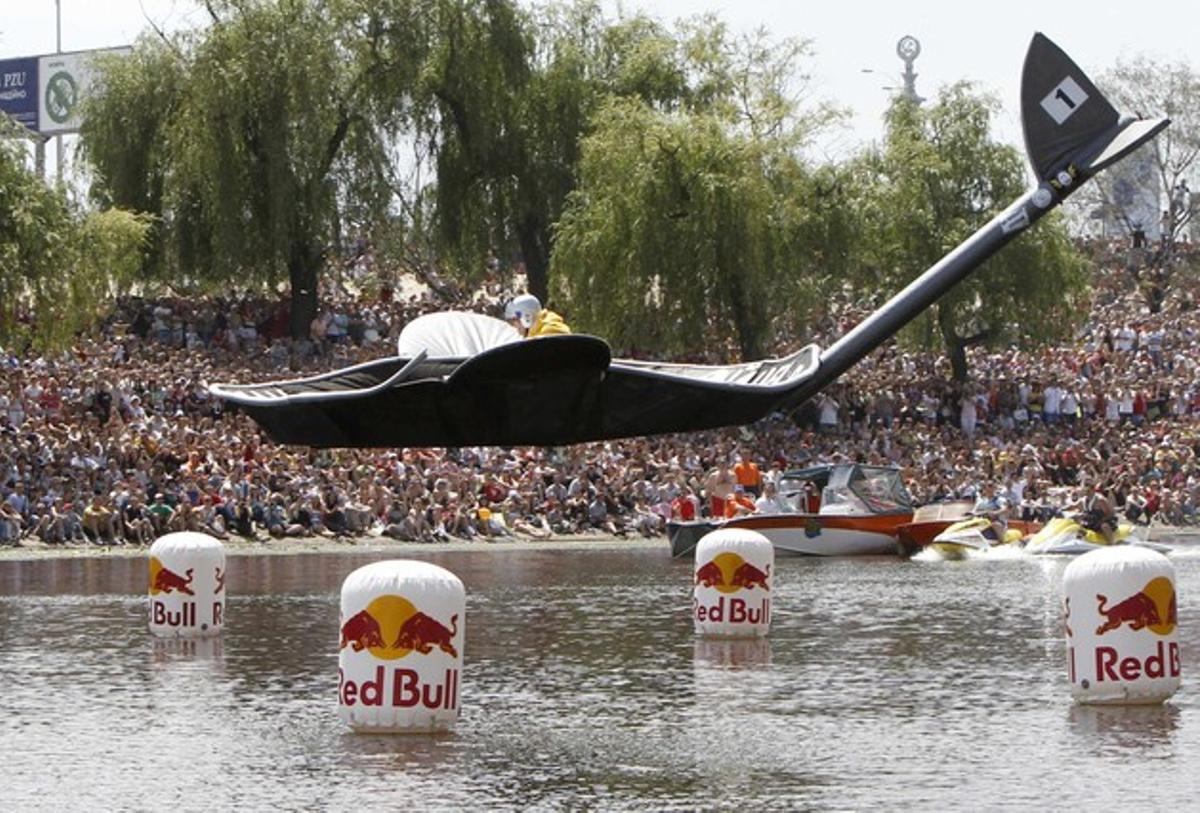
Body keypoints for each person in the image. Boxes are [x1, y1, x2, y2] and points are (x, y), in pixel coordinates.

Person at [504, 294, 571, 338]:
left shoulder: (549, 332)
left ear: (526, 317)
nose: (513, 326)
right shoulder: (536, 333)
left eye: (514, 320)